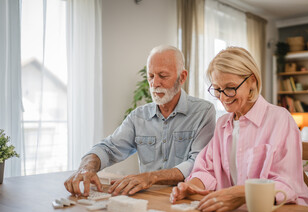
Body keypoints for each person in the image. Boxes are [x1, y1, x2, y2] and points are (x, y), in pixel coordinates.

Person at [170, 47, 308, 212]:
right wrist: (192, 186)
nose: (223, 98)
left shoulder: (280, 119)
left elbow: (287, 183)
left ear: (252, 80)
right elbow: (207, 169)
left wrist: (239, 193)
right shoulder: (223, 124)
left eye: (230, 88)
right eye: (217, 89)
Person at [64, 45, 216, 197]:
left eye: (163, 76)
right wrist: (87, 168)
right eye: (151, 76)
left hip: (186, 197)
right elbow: (108, 148)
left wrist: (152, 177)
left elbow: (198, 163)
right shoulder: (138, 117)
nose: (154, 83)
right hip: (149, 198)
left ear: (182, 77)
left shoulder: (203, 112)